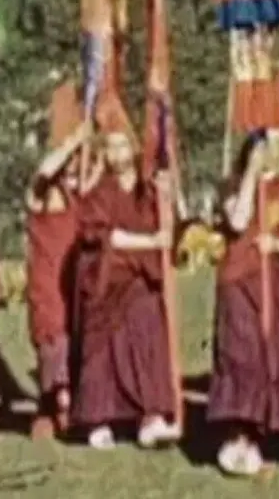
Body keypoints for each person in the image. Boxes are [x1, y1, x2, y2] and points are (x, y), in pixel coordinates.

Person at [72, 89, 181, 450]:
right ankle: (99, 419)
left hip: (140, 282)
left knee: (147, 318)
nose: (117, 154)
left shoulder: (149, 190)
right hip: (108, 281)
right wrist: (152, 243)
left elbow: (170, 226)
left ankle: (150, 414)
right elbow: (105, 236)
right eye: (111, 147)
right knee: (103, 343)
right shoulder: (100, 191)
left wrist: (168, 196)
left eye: (122, 146)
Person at [208, 130, 279, 476]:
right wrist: (252, 175)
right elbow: (238, 220)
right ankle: (239, 435)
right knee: (243, 356)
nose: (267, 152)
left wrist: (277, 246)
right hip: (239, 285)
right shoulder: (231, 185)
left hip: (274, 287)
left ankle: (274, 429)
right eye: (259, 146)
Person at [24, 81, 87, 440]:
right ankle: (54, 406)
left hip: (74, 284)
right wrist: (72, 141)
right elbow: (43, 175)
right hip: (48, 286)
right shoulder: (44, 195)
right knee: (54, 344)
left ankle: (63, 405)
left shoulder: (80, 193)